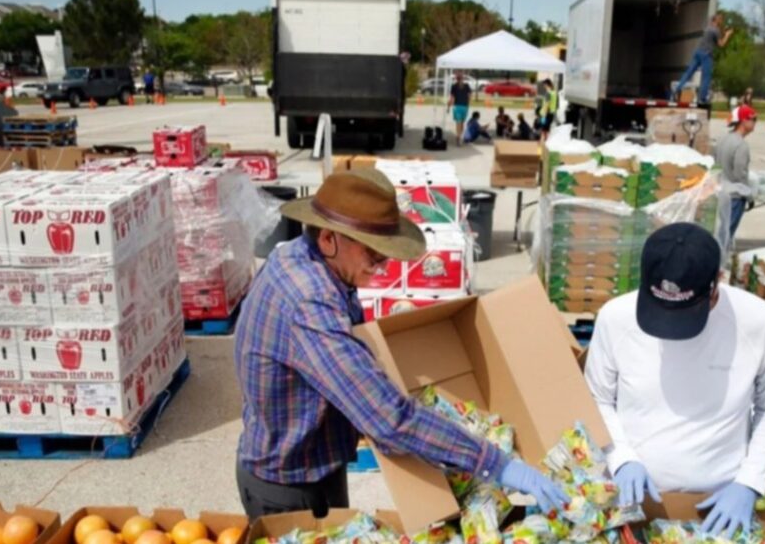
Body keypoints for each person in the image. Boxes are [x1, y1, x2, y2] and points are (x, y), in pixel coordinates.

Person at [234, 168, 567, 517]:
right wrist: (497, 464)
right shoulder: (309, 301)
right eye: (373, 252)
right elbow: (389, 420)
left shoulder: (303, 258)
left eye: (385, 252)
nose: (382, 263)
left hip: (318, 464)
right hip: (289, 487)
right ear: (329, 239)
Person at [584, 222, 765, 540]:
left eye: (682, 315)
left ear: (716, 283)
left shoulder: (757, 322)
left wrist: (749, 482)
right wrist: (621, 458)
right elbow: (595, 398)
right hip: (631, 500)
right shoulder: (616, 318)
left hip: (716, 507)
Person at [715, 105, 757, 239]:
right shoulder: (741, 145)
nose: (755, 122)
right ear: (743, 121)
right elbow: (741, 174)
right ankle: (719, 259)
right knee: (726, 235)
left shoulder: (723, 139)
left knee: (721, 231)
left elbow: (715, 165)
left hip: (721, 192)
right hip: (735, 197)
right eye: (753, 119)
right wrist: (750, 196)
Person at [672, 13, 733, 104]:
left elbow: (714, 38)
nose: (721, 21)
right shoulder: (715, 31)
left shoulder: (708, 28)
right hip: (706, 54)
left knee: (689, 72)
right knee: (706, 77)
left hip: (698, 52)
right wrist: (727, 35)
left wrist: (722, 31)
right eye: (720, 20)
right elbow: (721, 44)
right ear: (716, 20)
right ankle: (702, 98)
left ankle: (678, 89)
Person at [447, 73, 472, 145]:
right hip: (464, 107)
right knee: (462, 123)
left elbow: (452, 98)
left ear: (456, 79)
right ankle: (459, 136)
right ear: (463, 79)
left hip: (456, 107)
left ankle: (458, 136)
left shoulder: (454, 86)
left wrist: (448, 107)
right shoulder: (467, 86)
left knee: (458, 122)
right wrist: (468, 105)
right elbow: (469, 97)